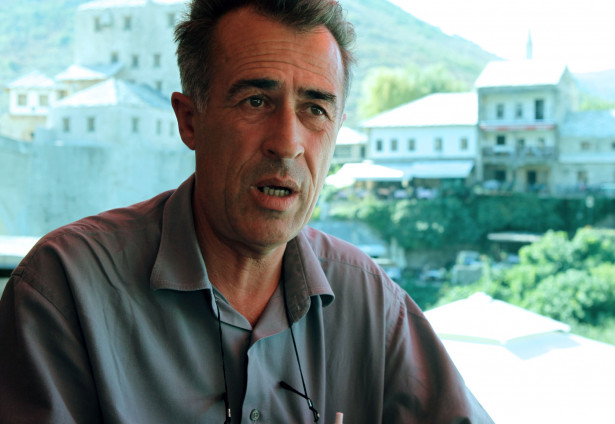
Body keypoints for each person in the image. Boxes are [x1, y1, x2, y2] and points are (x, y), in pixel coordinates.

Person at [0, 1, 493, 423]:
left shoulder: (369, 302)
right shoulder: (66, 289)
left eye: (315, 110)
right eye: (256, 101)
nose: (287, 143)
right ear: (190, 120)